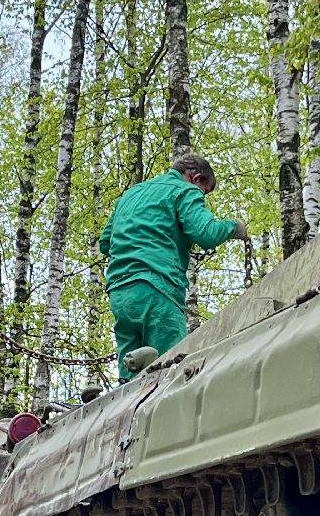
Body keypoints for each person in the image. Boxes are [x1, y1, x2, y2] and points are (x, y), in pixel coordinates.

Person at [99, 152, 249, 378]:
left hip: (120, 293)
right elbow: (205, 233)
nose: (202, 196)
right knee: (170, 372)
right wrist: (233, 227)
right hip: (157, 289)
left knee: (130, 378)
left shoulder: (131, 194)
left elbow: (104, 243)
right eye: (204, 191)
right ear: (196, 177)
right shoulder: (185, 190)